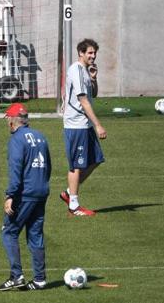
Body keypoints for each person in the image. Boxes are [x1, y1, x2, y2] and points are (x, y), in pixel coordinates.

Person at [0, 103, 51, 291]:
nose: (7, 123)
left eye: (7, 119)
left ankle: (16, 276)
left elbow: (16, 170)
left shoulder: (16, 140)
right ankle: (40, 279)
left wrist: (10, 195)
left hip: (25, 194)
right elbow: (48, 167)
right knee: (35, 235)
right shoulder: (41, 137)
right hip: (41, 191)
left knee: (9, 232)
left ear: (13, 121)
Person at [59, 38, 107, 216]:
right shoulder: (76, 70)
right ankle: (73, 205)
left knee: (95, 160)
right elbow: (83, 100)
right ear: (81, 53)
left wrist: (93, 79)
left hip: (84, 124)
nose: (93, 56)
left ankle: (68, 193)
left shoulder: (85, 71)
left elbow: (92, 93)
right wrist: (98, 125)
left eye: (94, 53)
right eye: (90, 53)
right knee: (76, 166)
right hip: (76, 125)